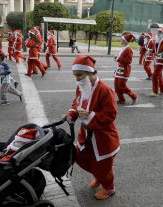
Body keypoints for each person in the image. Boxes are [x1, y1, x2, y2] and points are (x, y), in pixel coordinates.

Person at [62, 55, 120, 200]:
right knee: (80, 157)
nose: (77, 79)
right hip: (86, 134)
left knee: (102, 165)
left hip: (103, 137)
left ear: (90, 73)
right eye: (75, 75)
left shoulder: (105, 90)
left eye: (79, 75)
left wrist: (89, 116)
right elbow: (77, 104)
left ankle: (109, 187)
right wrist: (71, 114)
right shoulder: (81, 86)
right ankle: (99, 176)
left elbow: (110, 115)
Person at [114, 32, 138, 105]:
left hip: (124, 70)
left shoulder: (128, 50)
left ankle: (133, 96)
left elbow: (128, 61)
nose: (120, 41)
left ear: (125, 41)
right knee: (116, 86)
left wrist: (118, 58)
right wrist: (117, 58)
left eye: (122, 40)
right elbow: (121, 59)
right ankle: (121, 99)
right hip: (119, 69)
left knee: (122, 86)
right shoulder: (123, 48)